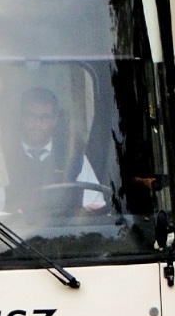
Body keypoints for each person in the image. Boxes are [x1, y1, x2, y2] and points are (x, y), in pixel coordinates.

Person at [8, 84, 107, 220]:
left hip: (64, 235)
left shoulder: (74, 157)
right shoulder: (4, 157)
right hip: (12, 236)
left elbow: (95, 205)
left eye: (44, 117)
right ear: (21, 117)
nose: (37, 123)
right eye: (32, 116)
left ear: (54, 120)